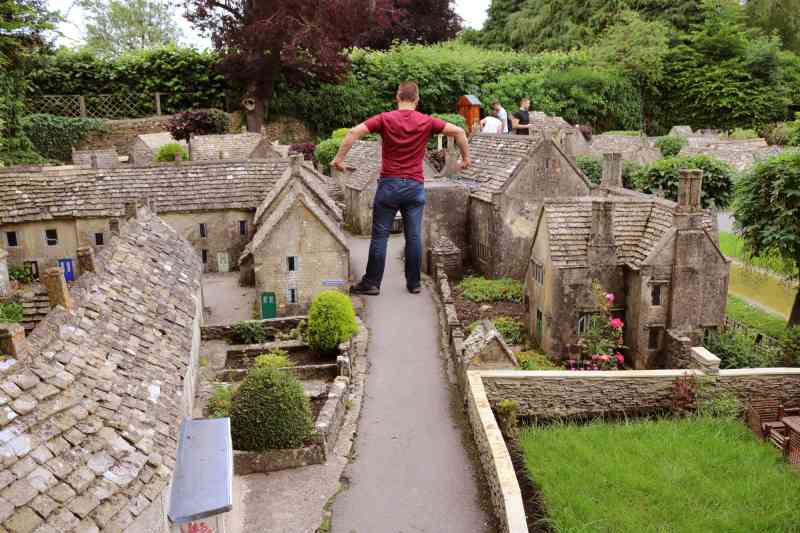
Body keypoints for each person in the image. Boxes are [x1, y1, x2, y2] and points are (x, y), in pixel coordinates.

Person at [332, 81, 470, 295]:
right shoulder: (427, 121)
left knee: (379, 236)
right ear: (417, 99)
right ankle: (413, 283)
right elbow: (460, 132)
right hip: (414, 186)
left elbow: (353, 133)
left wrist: (339, 160)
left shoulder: (384, 119)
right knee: (413, 236)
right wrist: (465, 159)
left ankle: (372, 283)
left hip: (389, 185)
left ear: (397, 97)